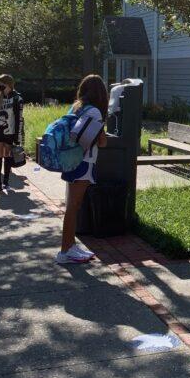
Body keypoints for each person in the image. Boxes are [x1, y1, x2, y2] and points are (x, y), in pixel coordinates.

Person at [56, 74, 109, 265]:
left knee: (72, 206)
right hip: (84, 162)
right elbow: (101, 142)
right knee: (73, 208)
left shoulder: (77, 107)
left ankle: (70, 246)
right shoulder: (94, 112)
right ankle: (64, 251)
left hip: (71, 160)